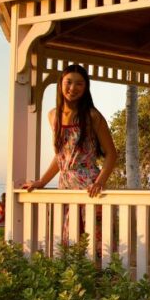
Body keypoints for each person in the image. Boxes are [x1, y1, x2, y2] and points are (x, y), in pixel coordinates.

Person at [21, 65, 117, 241]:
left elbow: (112, 154)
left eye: (79, 84)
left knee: (95, 241)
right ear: (60, 85)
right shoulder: (53, 116)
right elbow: (61, 157)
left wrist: (99, 182)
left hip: (89, 185)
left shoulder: (92, 116)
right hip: (65, 184)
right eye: (69, 82)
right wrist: (42, 181)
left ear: (86, 88)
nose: (73, 88)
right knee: (68, 241)